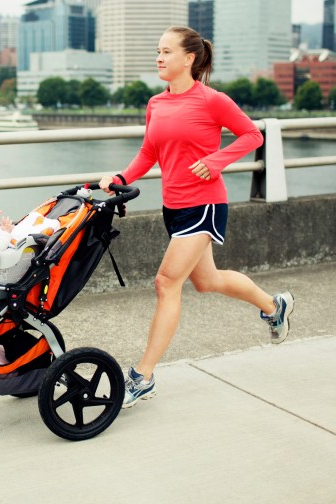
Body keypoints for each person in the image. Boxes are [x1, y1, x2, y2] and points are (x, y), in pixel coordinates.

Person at [100, 26, 294, 409]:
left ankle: (143, 376)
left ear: (188, 58)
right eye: (158, 51)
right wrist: (120, 178)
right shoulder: (156, 103)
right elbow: (148, 153)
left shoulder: (212, 101)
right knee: (207, 281)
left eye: (166, 51)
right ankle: (275, 306)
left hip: (205, 204)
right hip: (173, 206)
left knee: (165, 282)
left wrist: (215, 160)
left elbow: (252, 135)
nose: (159, 57)